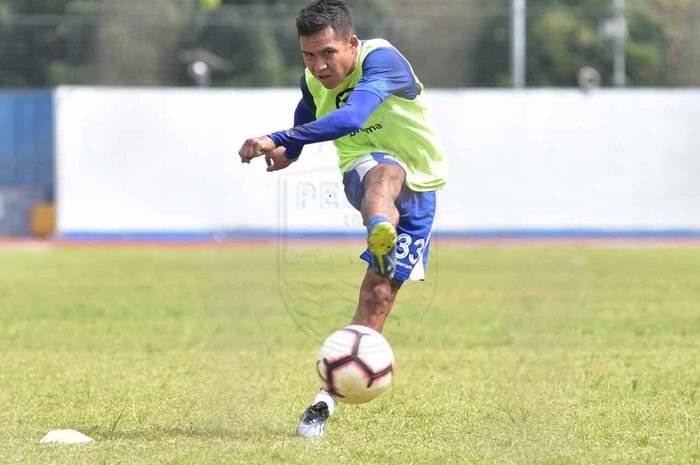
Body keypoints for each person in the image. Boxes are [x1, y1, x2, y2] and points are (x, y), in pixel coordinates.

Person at [238, 0, 447, 439]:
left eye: (328, 53)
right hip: (364, 167)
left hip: (423, 187)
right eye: (308, 56)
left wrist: (277, 140)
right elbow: (306, 119)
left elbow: (350, 116)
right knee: (383, 174)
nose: (318, 66)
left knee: (378, 297)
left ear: (351, 43)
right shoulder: (311, 83)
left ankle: (324, 400)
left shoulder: (382, 61)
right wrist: (285, 154)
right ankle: (378, 230)